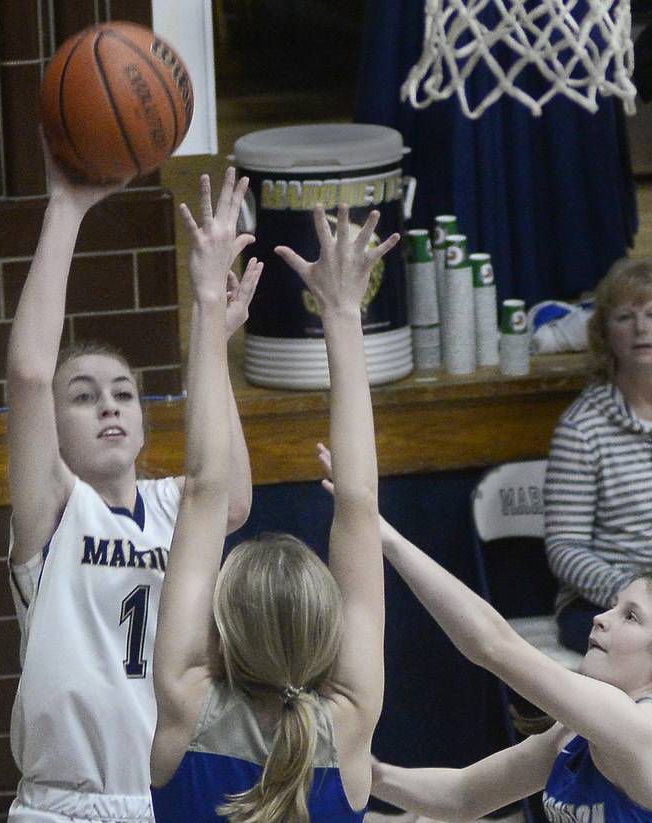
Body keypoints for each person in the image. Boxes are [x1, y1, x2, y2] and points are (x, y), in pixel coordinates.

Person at [5, 147, 258, 822]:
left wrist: (215, 328)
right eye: (84, 397)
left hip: (165, 798)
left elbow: (231, 496)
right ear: (51, 430)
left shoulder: (176, 503)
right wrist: (67, 206)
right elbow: (28, 374)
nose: (110, 405)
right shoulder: (54, 509)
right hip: (64, 804)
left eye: (123, 394)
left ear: (145, 420)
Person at [148, 175, 400, 823]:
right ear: (331, 633)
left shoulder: (184, 703)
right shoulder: (348, 724)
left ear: (218, 629)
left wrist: (209, 306)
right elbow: (360, 502)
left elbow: (206, 488)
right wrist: (344, 313)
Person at [364, 520, 652, 820]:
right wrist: (376, 777)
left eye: (631, 616)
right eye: (613, 606)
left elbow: (492, 644)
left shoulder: (643, 730)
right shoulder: (571, 734)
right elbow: (464, 795)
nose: (601, 618)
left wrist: (388, 538)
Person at [544, 257, 652, 655]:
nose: (642, 328)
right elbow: (565, 547)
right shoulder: (582, 428)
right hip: (603, 606)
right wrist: (633, 595)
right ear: (605, 333)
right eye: (625, 316)